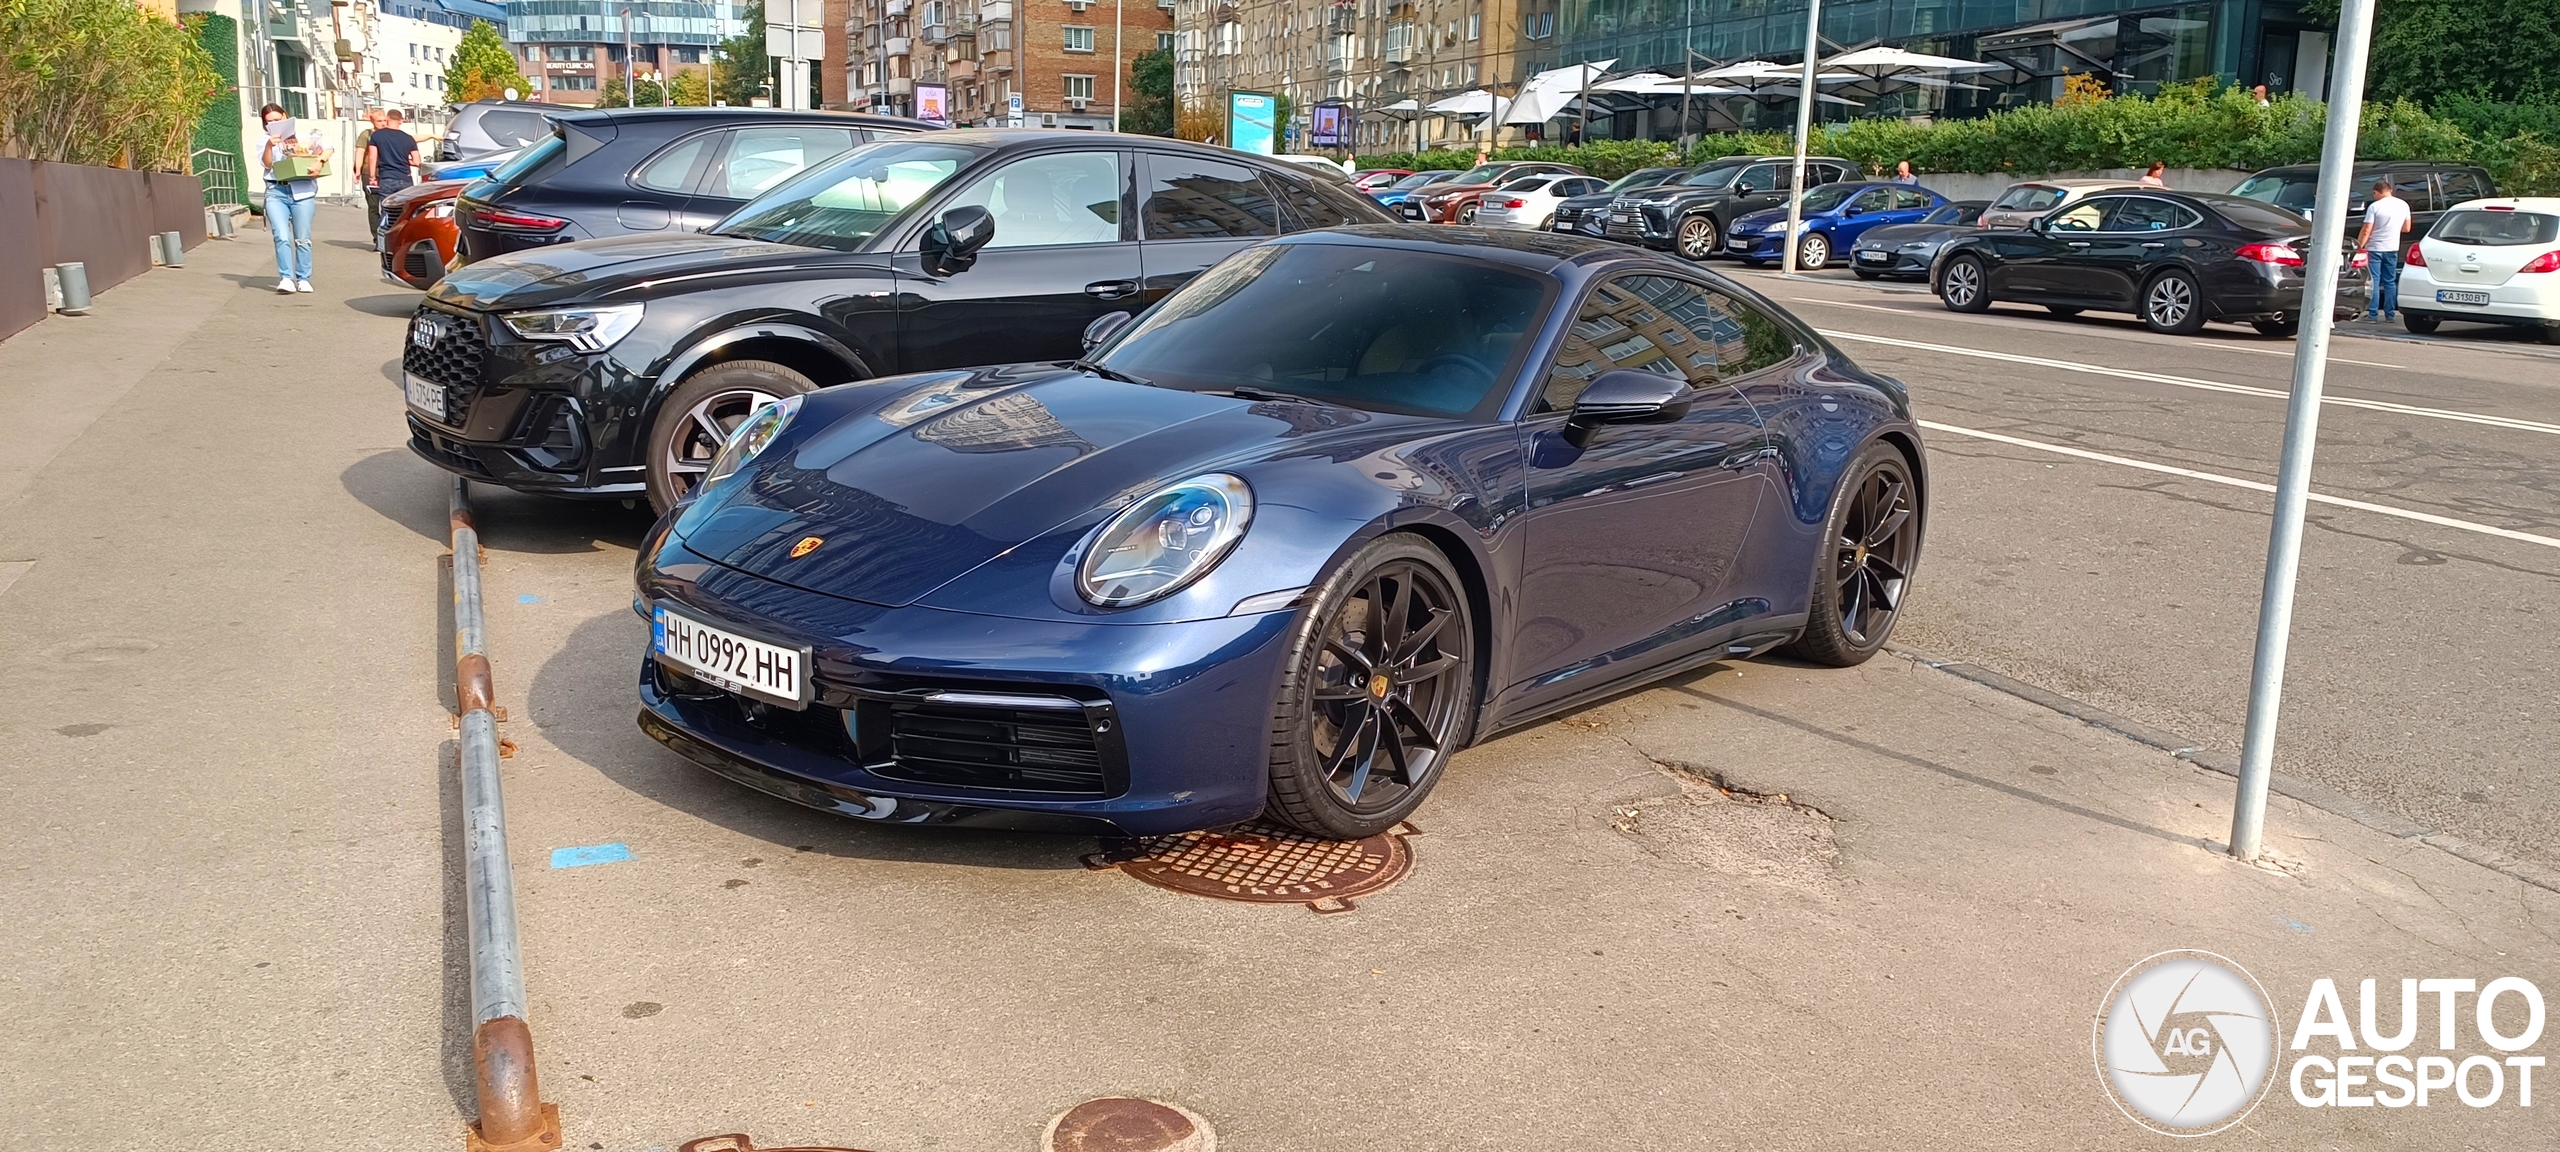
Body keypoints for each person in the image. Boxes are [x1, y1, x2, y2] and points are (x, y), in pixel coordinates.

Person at [258, 103, 332, 294]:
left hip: (303, 191)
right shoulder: (265, 140)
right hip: (277, 191)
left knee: (302, 237)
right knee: (281, 235)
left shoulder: (304, 136)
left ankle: (304, 278)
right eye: (269, 122)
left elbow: (328, 147)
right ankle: (286, 278)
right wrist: (269, 145)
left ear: (285, 116)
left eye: (277, 119)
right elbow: (266, 164)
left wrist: (318, 161)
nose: (273, 124)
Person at [2357, 178, 2413, 322]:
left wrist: (2359, 246)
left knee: (2374, 281)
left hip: (2375, 248)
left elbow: (2366, 230)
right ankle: (2390, 314)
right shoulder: (2403, 205)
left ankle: (2373, 314)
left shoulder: (2375, 207)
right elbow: (2407, 228)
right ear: (2390, 191)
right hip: (2392, 247)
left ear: (2376, 192)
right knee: (2390, 281)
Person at [365, 109, 421, 233]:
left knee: (387, 212)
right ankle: (401, 241)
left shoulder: (377, 135)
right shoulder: (408, 138)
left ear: (388, 119)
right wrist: (403, 160)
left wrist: (372, 177)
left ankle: (383, 242)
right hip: (405, 179)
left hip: (387, 178)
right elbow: (417, 162)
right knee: (405, 213)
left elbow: (372, 157)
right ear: (401, 121)